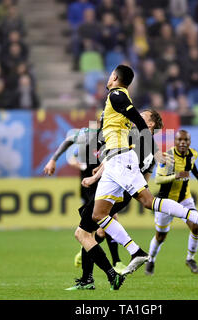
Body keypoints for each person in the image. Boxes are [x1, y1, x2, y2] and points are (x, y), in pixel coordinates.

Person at [75, 65, 198, 288]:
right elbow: (129, 130)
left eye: (110, 74)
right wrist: (97, 175)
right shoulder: (118, 105)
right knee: (98, 214)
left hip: (122, 162)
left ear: (115, 77)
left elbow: (139, 121)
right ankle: (136, 252)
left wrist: (152, 150)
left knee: (147, 201)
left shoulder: (116, 95)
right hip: (114, 162)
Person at [63, 109, 165, 290]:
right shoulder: (151, 149)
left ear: (150, 124)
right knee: (91, 232)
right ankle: (88, 278)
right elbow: (145, 182)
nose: (138, 116)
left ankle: (112, 274)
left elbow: (115, 158)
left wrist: (95, 177)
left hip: (112, 190)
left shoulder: (134, 138)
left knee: (83, 233)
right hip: (122, 194)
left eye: (143, 116)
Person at [43, 119, 126, 273]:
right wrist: (53, 160)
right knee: (99, 226)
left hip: (103, 186)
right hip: (90, 188)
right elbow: (69, 143)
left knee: (104, 225)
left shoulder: (114, 139)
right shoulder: (88, 135)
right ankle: (107, 260)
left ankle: (96, 257)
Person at [145, 130, 198, 276]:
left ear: (190, 142)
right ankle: (151, 259)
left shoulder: (192, 154)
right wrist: (176, 175)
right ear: (174, 141)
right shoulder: (168, 157)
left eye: (186, 140)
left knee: (196, 226)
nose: (183, 142)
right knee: (160, 236)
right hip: (166, 202)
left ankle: (190, 258)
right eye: (179, 140)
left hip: (184, 199)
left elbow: (192, 166)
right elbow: (158, 180)